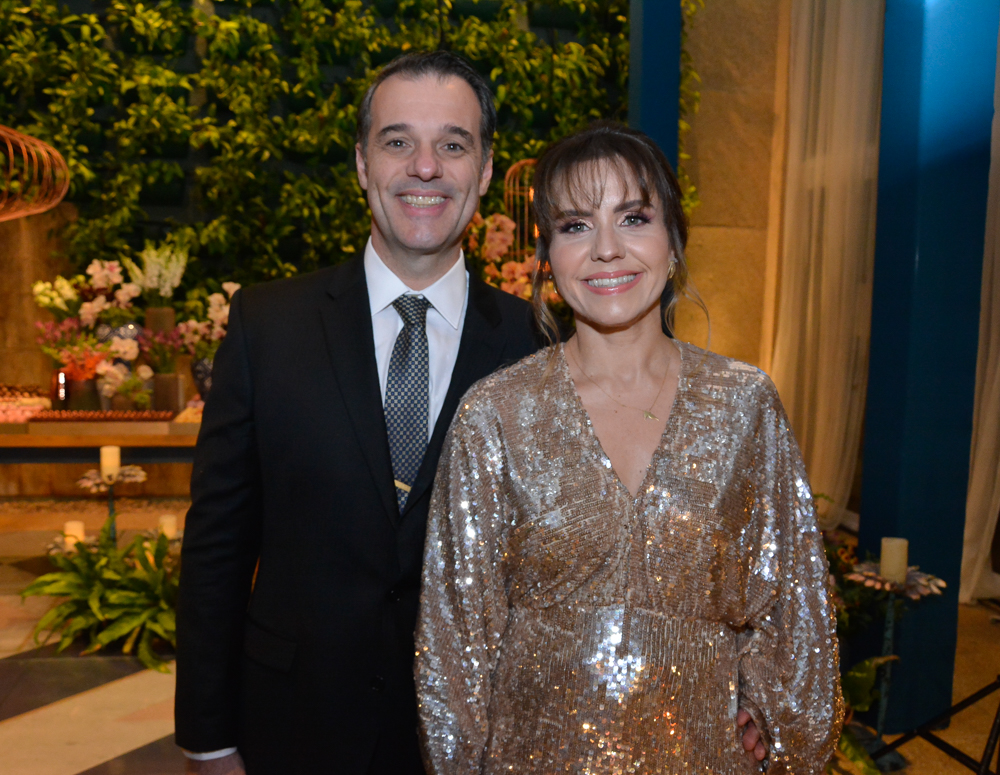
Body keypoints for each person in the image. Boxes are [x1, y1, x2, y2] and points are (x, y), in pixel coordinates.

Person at [415, 122, 844, 774]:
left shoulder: (744, 404)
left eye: (634, 218)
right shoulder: (495, 415)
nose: (607, 249)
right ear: (548, 255)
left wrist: (774, 712)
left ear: (673, 240)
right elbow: (453, 646)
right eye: (576, 226)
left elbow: (796, 604)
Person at [174, 51, 541, 775]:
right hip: (292, 729)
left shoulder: (537, 346)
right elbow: (218, 544)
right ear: (362, 163)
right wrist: (208, 738)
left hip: (482, 739)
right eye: (398, 141)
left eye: (453, 145)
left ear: (485, 170)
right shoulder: (267, 326)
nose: (425, 167)